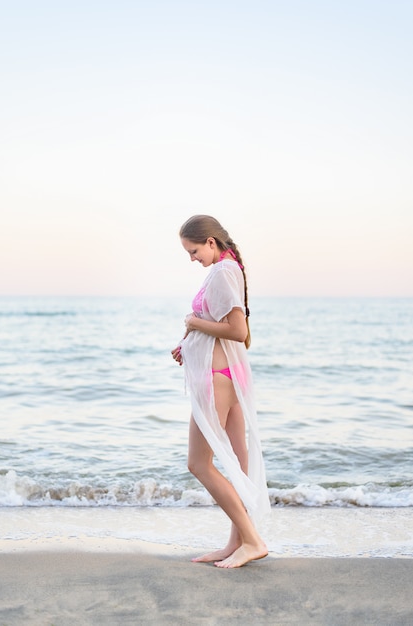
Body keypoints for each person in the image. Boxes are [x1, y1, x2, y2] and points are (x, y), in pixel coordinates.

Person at [171, 215, 270, 568]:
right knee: (239, 466)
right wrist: (189, 343)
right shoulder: (226, 269)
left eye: (194, 250)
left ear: (211, 242)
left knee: (198, 463)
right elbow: (223, 327)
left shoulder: (223, 272)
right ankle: (238, 542)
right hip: (225, 373)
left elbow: (236, 331)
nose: (192, 258)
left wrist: (193, 323)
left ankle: (253, 540)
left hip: (218, 378)